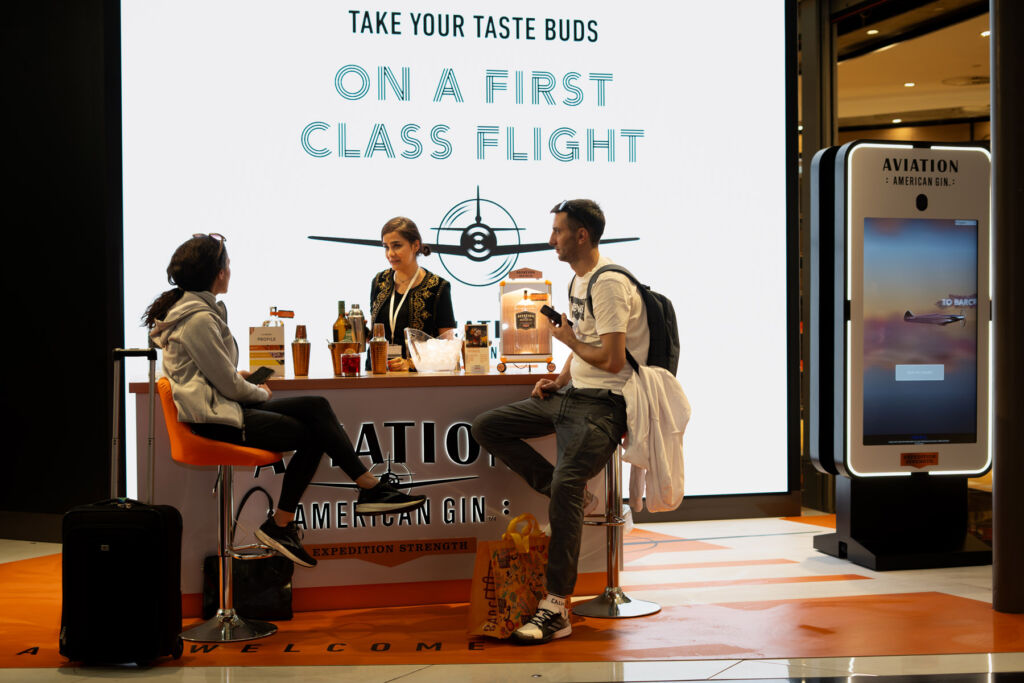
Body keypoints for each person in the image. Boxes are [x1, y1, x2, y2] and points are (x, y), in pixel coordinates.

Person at [144, 233, 427, 569]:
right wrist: (257, 391)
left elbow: (212, 375)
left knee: (316, 406)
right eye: (227, 264)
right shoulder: (198, 318)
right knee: (313, 433)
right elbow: (227, 386)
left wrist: (240, 380)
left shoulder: (196, 311)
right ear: (218, 272)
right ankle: (295, 518)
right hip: (215, 419)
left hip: (219, 408)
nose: (230, 269)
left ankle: (358, 491)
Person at [471, 199, 649, 645]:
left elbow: (610, 360)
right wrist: (560, 377)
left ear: (581, 235)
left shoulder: (608, 284)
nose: (551, 239)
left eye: (557, 231)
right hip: (571, 396)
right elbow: (585, 344)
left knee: (570, 483)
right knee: (488, 426)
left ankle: (556, 607)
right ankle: (563, 495)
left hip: (605, 406)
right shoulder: (581, 278)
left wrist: (567, 337)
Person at [368, 217, 456, 371]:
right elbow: (378, 336)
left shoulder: (438, 287)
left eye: (397, 246)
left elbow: (448, 348)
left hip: (417, 380)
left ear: (415, 245)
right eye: (386, 247)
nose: (390, 253)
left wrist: (411, 363)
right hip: (376, 374)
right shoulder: (378, 281)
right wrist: (360, 331)